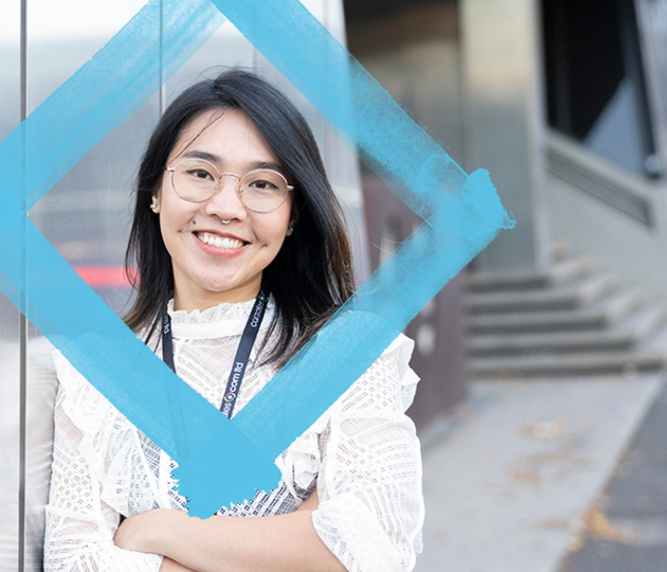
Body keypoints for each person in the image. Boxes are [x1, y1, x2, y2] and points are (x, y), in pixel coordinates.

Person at [44, 70, 423, 572]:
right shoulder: (95, 374)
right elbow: (72, 561)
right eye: (200, 173)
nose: (225, 208)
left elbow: (378, 543)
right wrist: (299, 537)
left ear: (292, 216)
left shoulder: (349, 355)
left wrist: (156, 530)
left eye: (262, 184)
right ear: (155, 189)